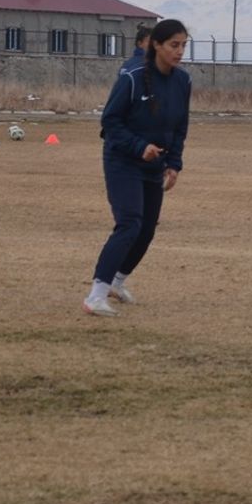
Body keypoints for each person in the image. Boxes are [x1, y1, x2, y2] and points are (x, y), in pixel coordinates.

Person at [83, 19, 191, 317]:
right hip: (122, 160)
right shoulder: (131, 77)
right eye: (174, 45)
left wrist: (173, 164)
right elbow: (110, 122)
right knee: (130, 223)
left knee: (146, 230)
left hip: (154, 164)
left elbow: (179, 127)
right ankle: (96, 296)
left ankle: (118, 282)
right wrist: (139, 147)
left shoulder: (183, 81)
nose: (180, 51)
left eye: (183, 45)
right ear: (156, 44)